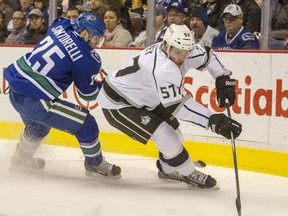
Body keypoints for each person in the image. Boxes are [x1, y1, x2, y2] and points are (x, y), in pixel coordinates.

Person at [97, 23, 242, 189]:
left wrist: (223, 77)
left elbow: (208, 56)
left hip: (145, 98)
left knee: (176, 134)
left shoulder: (184, 49)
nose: (182, 58)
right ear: (166, 46)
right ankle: (189, 173)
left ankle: (167, 170)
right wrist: (213, 121)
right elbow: (179, 107)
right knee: (167, 137)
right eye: (178, 53)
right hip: (118, 102)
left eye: (186, 52)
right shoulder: (161, 68)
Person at [4, 12, 121, 178]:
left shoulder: (60, 25)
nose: (97, 43)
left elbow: (63, 24)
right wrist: (104, 85)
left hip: (15, 89)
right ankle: (94, 163)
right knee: (86, 123)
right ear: (85, 33)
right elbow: (87, 95)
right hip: (36, 101)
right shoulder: (87, 59)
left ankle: (20, 159)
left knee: (38, 128)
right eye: (96, 38)